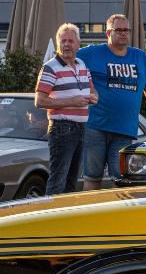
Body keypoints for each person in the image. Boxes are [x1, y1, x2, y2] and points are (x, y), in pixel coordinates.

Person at [78, 13, 146, 190]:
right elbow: (65, 61)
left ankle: (119, 209)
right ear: (108, 33)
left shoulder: (139, 57)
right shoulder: (91, 53)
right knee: (92, 178)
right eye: (119, 30)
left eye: (126, 30)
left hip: (125, 131)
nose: (123, 33)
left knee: (122, 180)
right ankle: (90, 209)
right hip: (95, 128)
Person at [34, 23, 98, 195]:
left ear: (78, 44)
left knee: (72, 181)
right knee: (58, 180)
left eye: (70, 41)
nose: (66, 45)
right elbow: (39, 101)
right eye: (63, 41)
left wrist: (94, 97)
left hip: (81, 127)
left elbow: (92, 90)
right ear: (58, 44)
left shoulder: (82, 64)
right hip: (62, 128)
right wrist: (72, 101)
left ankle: (66, 212)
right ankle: (50, 212)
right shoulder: (50, 67)